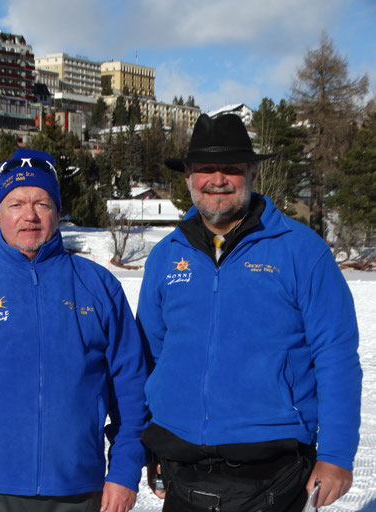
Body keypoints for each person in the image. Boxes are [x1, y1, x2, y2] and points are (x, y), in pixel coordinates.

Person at [137, 113, 361, 511]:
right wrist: (149, 436)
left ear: (252, 172)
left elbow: (336, 355)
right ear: (188, 174)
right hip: (181, 463)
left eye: (232, 169)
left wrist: (337, 454)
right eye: (205, 168)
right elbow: (150, 356)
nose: (217, 179)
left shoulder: (301, 250)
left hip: (273, 471)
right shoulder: (166, 256)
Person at [0, 148, 148, 512]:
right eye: (16, 204)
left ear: (57, 211)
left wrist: (123, 472)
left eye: (42, 203)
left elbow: (132, 389)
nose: (29, 215)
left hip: (76, 490)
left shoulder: (97, 286)